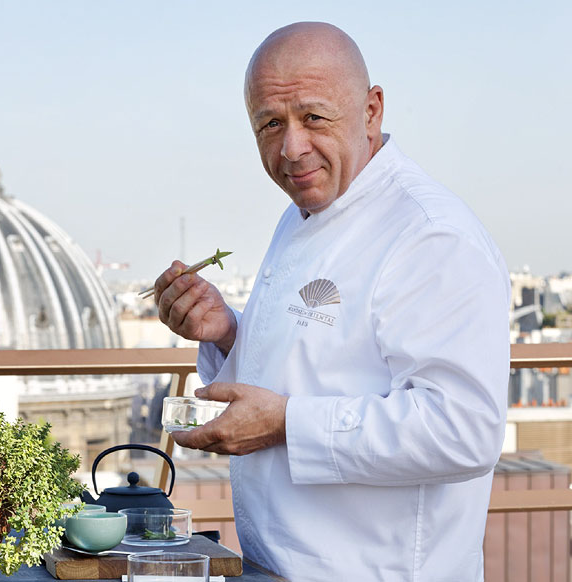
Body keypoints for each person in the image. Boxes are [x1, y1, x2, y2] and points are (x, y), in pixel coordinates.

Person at [153, 22, 510, 581]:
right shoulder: (304, 212)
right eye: (270, 124)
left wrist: (288, 426)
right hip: (276, 564)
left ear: (372, 110)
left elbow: (463, 429)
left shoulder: (431, 234)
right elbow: (316, 363)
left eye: (313, 117)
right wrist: (227, 332)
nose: (292, 148)